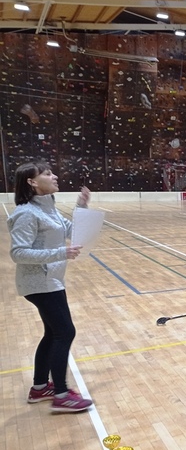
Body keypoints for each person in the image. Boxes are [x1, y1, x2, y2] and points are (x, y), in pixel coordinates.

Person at [8, 162, 94, 413]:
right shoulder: (26, 213)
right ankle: (62, 395)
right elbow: (18, 253)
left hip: (51, 280)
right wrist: (60, 253)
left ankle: (39, 388)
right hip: (40, 282)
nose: (54, 176)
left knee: (52, 333)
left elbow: (72, 231)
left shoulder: (48, 208)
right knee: (65, 333)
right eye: (47, 173)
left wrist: (81, 206)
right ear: (32, 182)